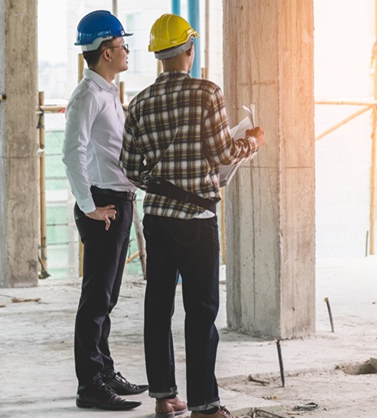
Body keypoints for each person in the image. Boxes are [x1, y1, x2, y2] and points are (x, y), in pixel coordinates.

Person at [121, 13, 265, 418]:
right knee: (201, 309)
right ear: (190, 50)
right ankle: (204, 403)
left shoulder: (140, 102)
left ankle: (165, 398)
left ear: (157, 56)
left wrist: (162, 179)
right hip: (197, 222)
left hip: (157, 220)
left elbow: (130, 168)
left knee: (158, 306)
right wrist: (252, 142)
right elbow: (222, 153)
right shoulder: (207, 93)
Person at [62, 10, 147, 411]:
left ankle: (104, 370)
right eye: (122, 45)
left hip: (118, 200)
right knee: (96, 298)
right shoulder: (87, 97)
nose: (127, 51)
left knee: (107, 296)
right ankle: (90, 385)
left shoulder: (107, 92)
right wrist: (89, 205)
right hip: (104, 204)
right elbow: (71, 153)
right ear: (106, 52)